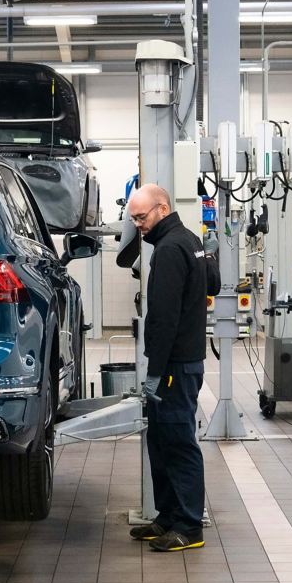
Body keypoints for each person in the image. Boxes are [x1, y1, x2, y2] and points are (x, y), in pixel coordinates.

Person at [126, 184, 208, 552]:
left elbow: (163, 319)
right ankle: (168, 516)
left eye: (141, 218)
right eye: (133, 219)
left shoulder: (171, 248)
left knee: (177, 442)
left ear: (162, 208)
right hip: (182, 361)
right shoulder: (190, 240)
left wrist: (154, 372)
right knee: (159, 440)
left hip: (174, 364)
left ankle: (189, 527)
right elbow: (216, 281)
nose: (138, 225)